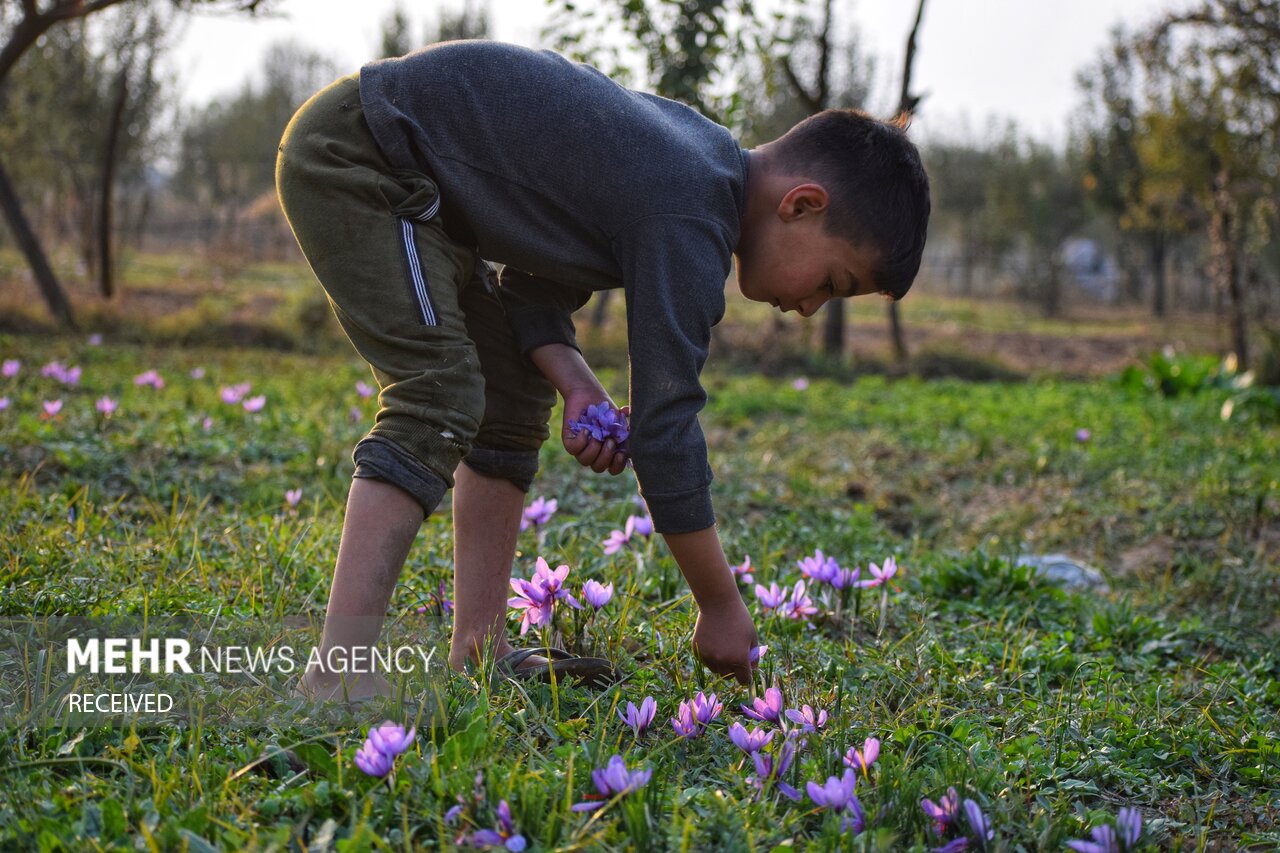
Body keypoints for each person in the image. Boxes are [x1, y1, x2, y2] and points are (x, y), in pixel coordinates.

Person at [275, 40, 929, 701]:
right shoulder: (691, 211)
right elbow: (666, 428)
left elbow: (530, 290)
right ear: (802, 204)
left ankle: (480, 648)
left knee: (508, 390)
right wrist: (720, 604)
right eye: (833, 282)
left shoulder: (698, 171)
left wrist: (576, 382)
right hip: (366, 155)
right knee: (437, 395)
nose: (813, 308)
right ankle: (335, 675)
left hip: (424, 187)